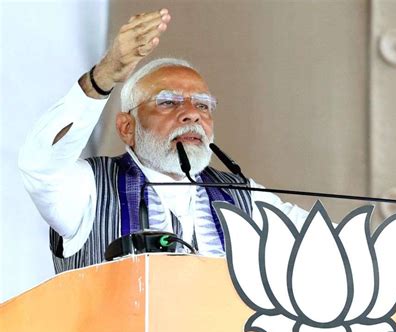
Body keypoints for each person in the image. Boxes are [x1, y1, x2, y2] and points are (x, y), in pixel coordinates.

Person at [18, 9, 309, 273]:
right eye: (168, 102)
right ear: (126, 128)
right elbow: (40, 165)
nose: (191, 115)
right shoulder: (91, 187)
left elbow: (325, 242)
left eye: (203, 105)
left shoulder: (245, 196)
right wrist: (103, 75)